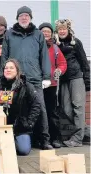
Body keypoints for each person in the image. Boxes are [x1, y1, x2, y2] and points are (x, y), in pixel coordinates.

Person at [1, 6, 53, 150]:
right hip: (15, 81)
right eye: (21, 16)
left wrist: (46, 76)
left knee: (40, 109)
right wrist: (3, 76)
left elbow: (44, 56)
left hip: (35, 79)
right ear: (17, 18)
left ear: (30, 18)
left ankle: (44, 140)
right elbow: (4, 57)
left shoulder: (38, 34)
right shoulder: (9, 34)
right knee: (12, 108)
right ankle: (11, 138)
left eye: (26, 16)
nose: (24, 18)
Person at [0, 59, 41, 156]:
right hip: (2, 126)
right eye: (6, 68)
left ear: (17, 71)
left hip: (20, 127)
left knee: (23, 150)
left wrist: (29, 123)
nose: (8, 70)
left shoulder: (26, 86)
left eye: (11, 68)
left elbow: (36, 105)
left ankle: (14, 141)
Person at [55, 19, 90, 147]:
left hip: (76, 78)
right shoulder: (56, 44)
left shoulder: (76, 43)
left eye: (64, 29)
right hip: (63, 80)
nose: (62, 31)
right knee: (66, 109)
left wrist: (87, 81)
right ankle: (84, 132)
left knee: (78, 108)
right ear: (57, 31)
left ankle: (77, 139)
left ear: (68, 29)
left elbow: (84, 62)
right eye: (60, 29)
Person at [39, 22, 67, 148]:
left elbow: (62, 63)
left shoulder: (55, 48)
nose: (45, 33)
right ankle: (39, 139)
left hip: (51, 84)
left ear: (51, 34)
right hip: (37, 84)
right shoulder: (35, 46)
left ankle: (55, 138)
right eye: (43, 31)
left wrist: (59, 70)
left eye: (48, 31)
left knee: (52, 112)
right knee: (38, 112)